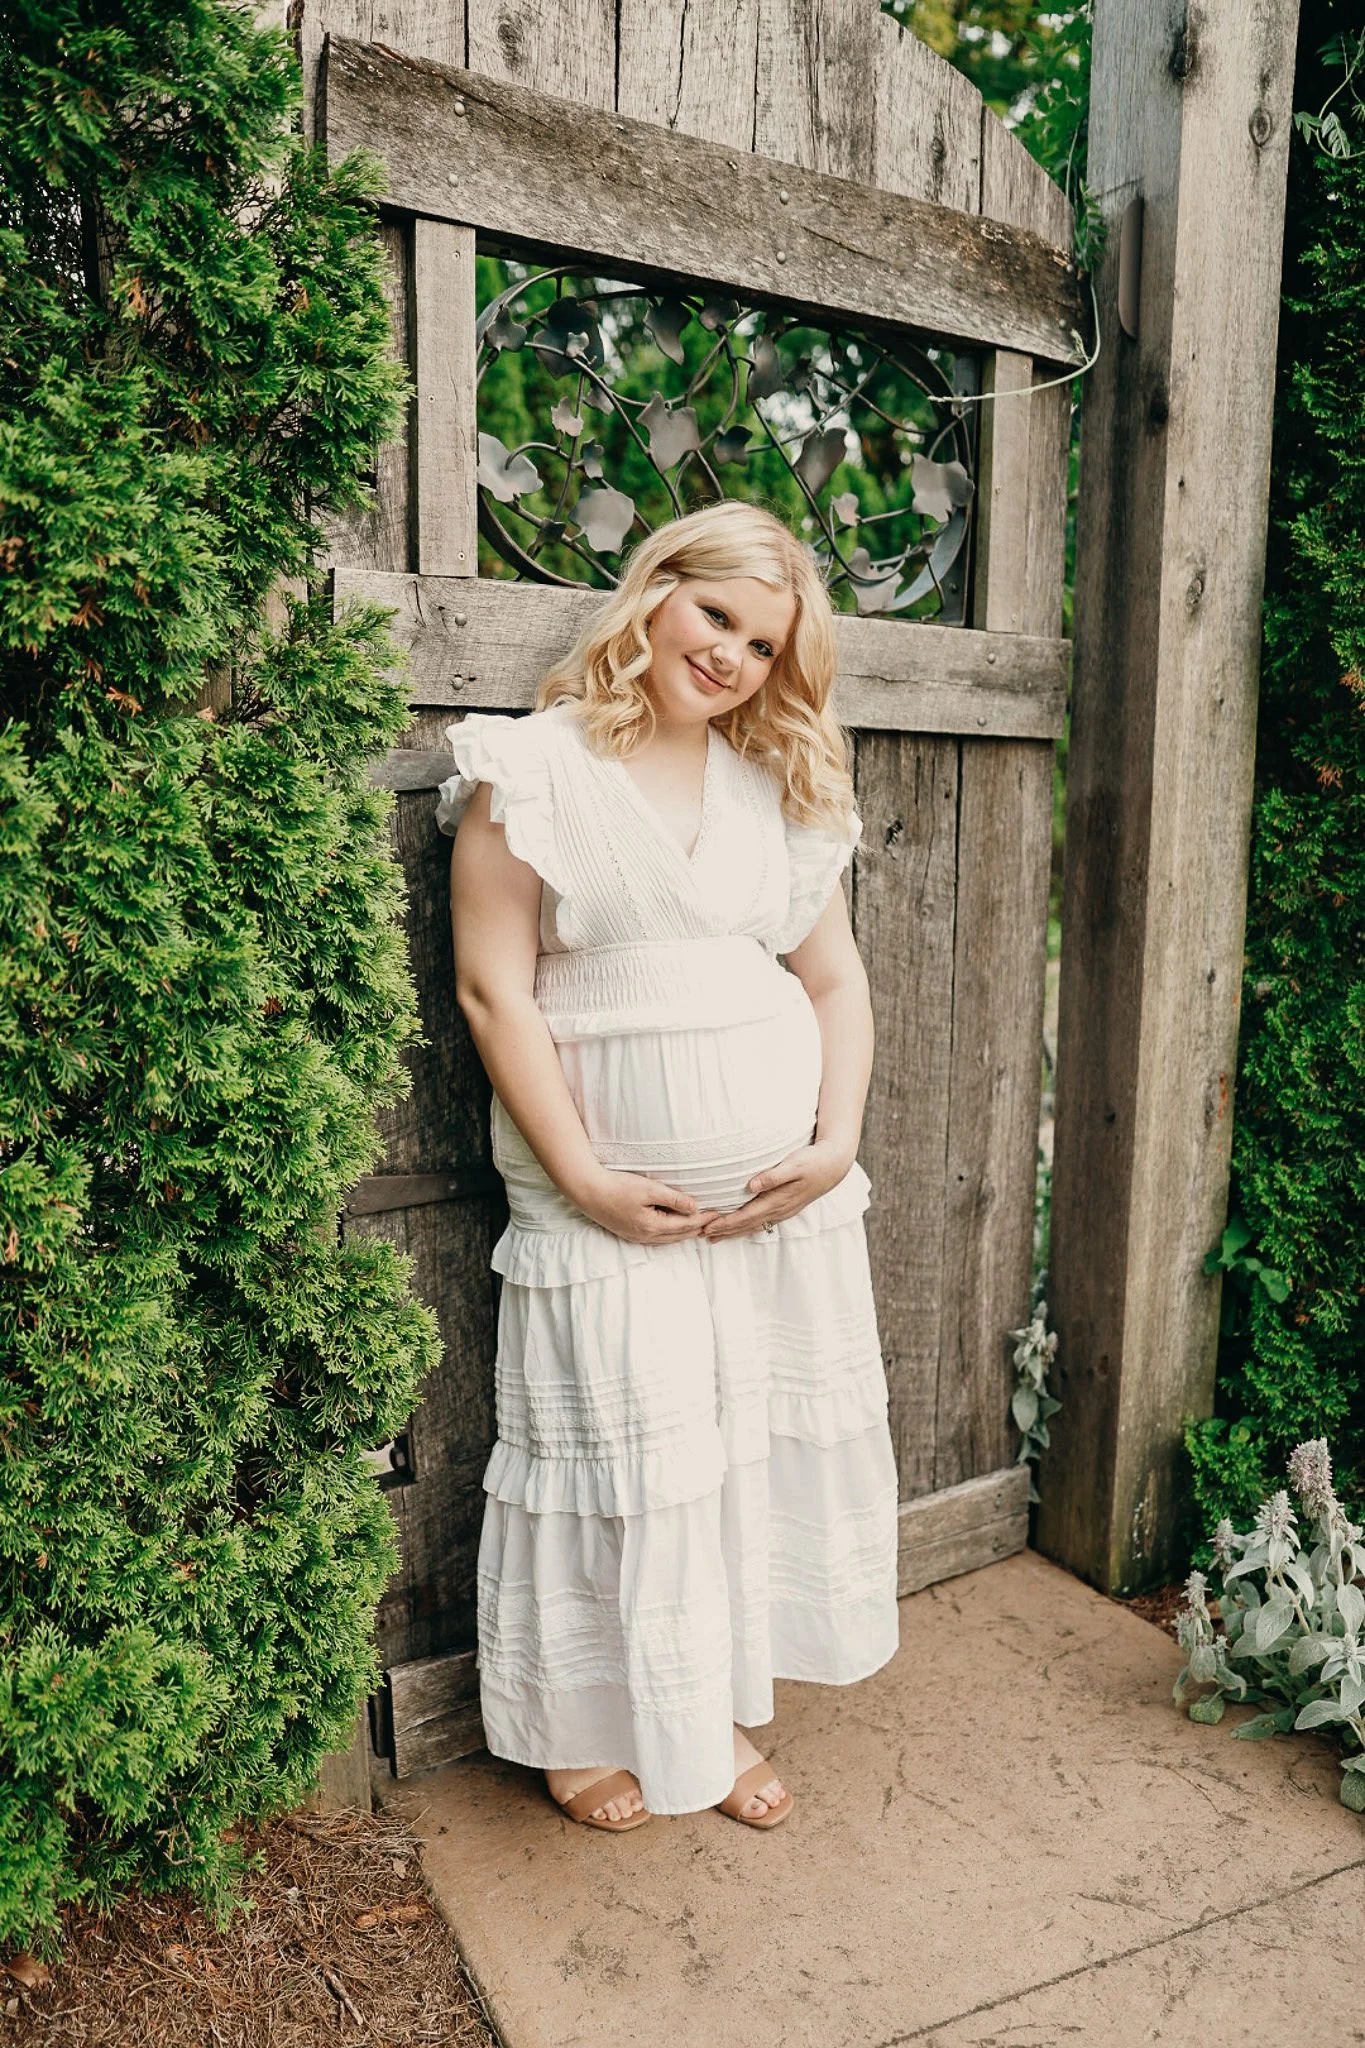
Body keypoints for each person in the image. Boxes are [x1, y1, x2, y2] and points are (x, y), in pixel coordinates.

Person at [439, 500, 899, 1833]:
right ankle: (587, 1728)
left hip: (773, 1212)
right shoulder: (537, 770)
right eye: (719, 616)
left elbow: (837, 982)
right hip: (604, 1204)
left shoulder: (779, 791)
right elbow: (491, 992)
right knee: (619, 1454)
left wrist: (837, 1142)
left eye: (764, 646)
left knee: (733, 1456)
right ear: (657, 592)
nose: (734, 658)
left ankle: (717, 1714)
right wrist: (585, 1177)